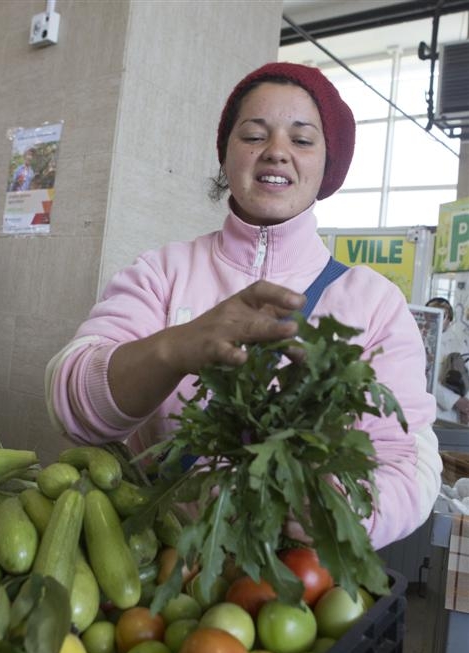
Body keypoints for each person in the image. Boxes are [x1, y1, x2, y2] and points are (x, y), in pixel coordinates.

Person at [46, 62, 442, 551]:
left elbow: (408, 458)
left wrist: (339, 508)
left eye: (302, 140)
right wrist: (175, 348)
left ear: (327, 165)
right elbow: (72, 404)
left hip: (294, 580)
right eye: (254, 135)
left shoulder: (374, 302)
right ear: (227, 153)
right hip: (155, 566)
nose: (276, 152)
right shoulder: (162, 272)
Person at [426, 297, 469, 425]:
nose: (438, 319)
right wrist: (455, 401)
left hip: (456, 415)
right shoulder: (420, 341)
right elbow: (423, 378)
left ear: (449, 319)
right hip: (432, 410)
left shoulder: (459, 343)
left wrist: (466, 407)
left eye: (443, 315)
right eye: (432, 314)